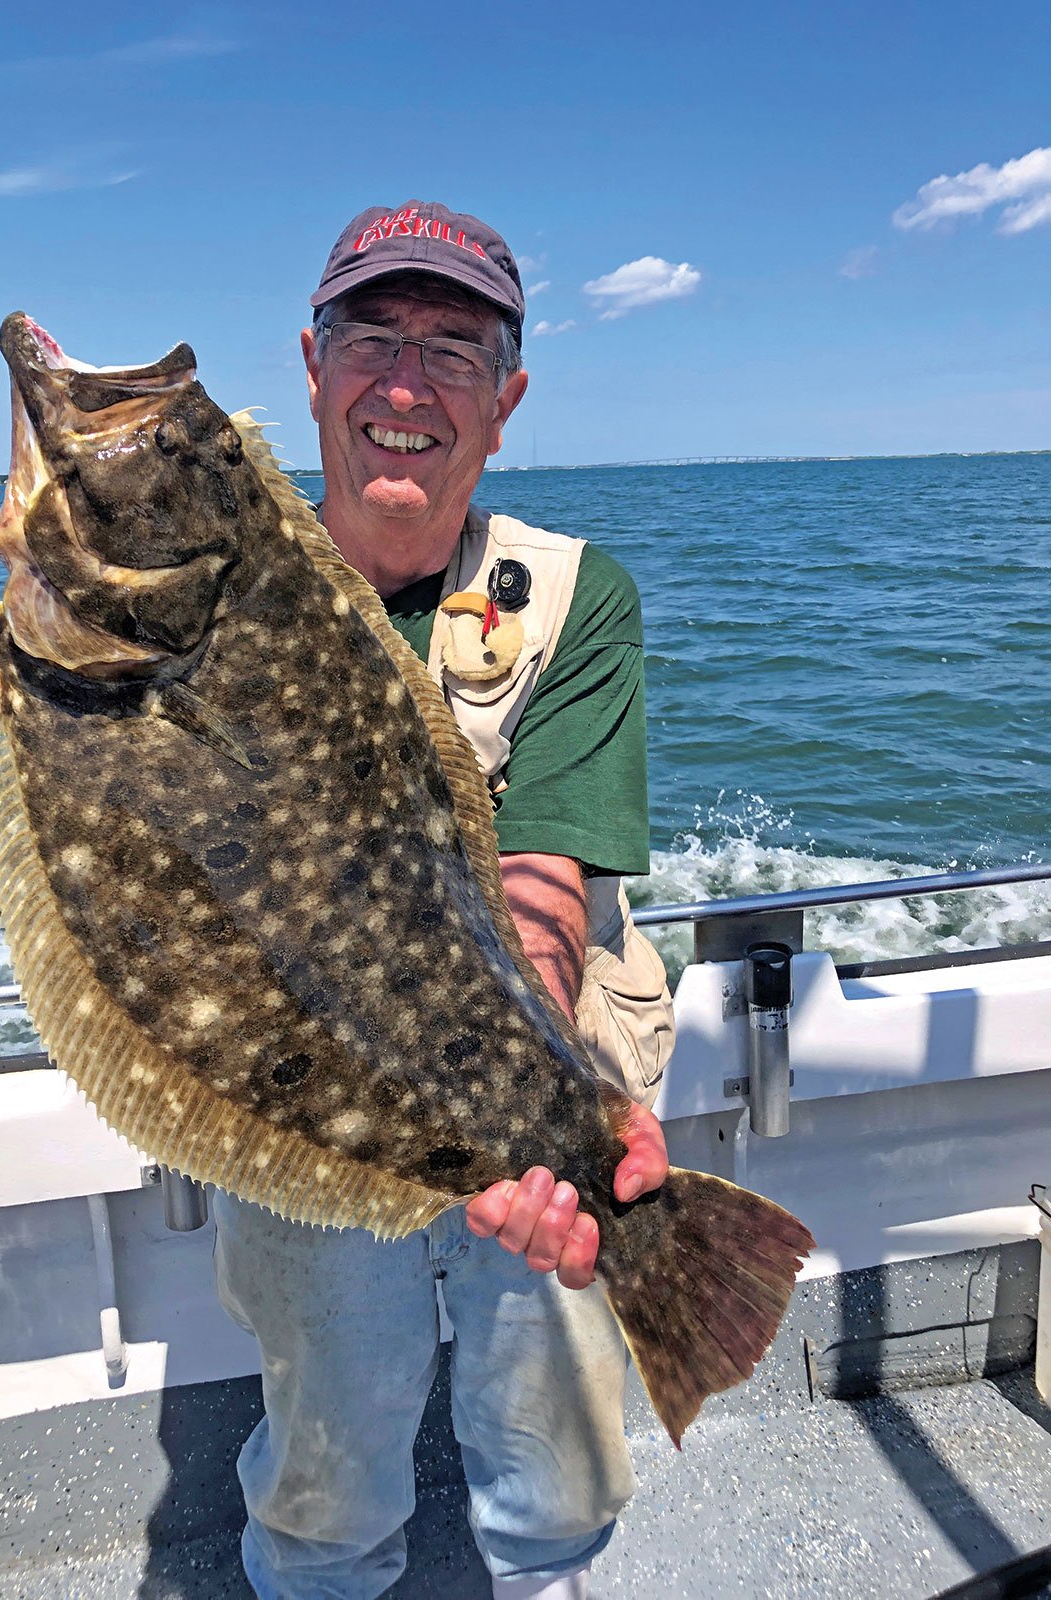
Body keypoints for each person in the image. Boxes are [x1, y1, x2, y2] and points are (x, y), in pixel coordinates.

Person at [213, 200, 672, 1600]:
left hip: (526, 1052)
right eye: (372, 336)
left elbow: (546, 888)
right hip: (298, 1077)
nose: (405, 383)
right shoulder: (217, 591)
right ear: (311, 365)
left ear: (506, 399)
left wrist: (531, 1128)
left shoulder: (576, 597)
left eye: (453, 349)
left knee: (558, 1448)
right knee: (323, 1452)